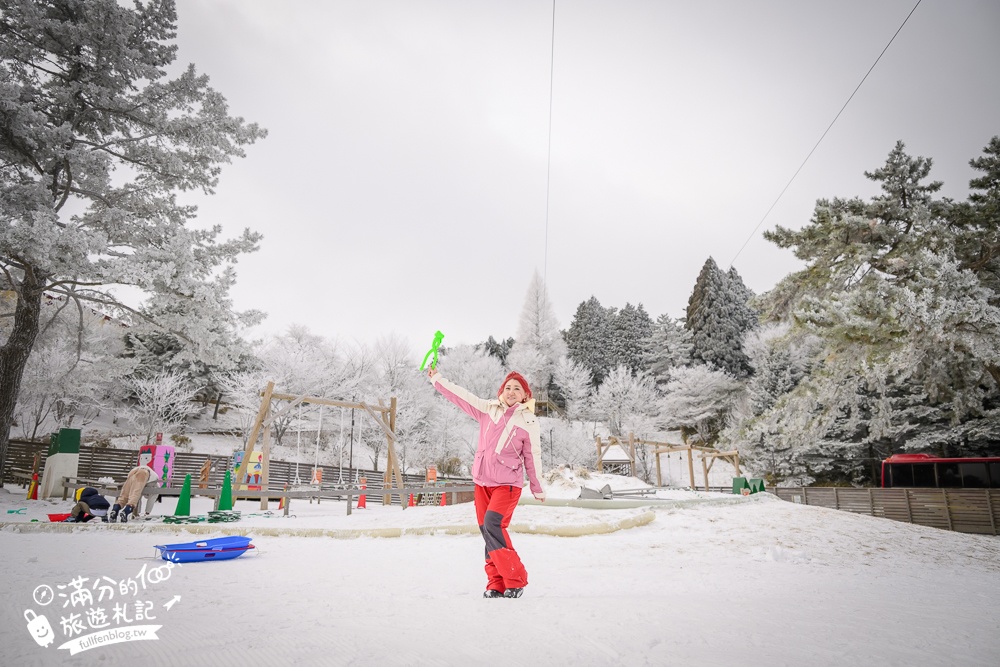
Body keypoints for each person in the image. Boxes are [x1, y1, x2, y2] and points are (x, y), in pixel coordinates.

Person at [427, 367, 546, 599]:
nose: (511, 392)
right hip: (482, 483)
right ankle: (496, 583)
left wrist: (537, 486)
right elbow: (459, 395)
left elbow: (533, 456)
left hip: (507, 485)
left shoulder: (528, 421)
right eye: (508, 387)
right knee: (487, 531)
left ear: (525, 396)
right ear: (501, 391)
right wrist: (437, 379)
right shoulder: (487, 410)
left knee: (493, 524)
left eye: (517, 389)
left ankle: (515, 578)